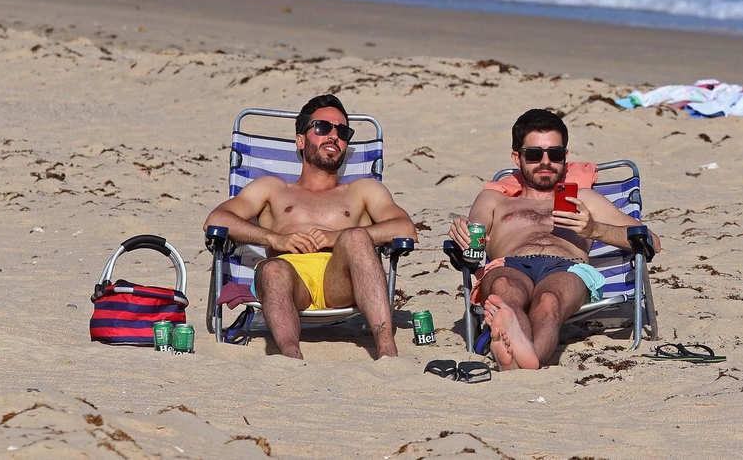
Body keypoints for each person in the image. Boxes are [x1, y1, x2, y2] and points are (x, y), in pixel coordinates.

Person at [203, 94, 416, 359]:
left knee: (356, 238)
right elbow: (216, 220)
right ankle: (290, 356)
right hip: (290, 282)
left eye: (342, 131)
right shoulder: (273, 188)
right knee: (273, 270)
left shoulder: (363, 190)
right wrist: (274, 239)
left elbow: (405, 228)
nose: (333, 136)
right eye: (323, 128)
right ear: (301, 140)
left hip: (340, 282)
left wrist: (337, 237)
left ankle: (387, 351)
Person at [447, 109, 659, 371]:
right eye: (535, 154)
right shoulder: (494, 200)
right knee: (504, 287)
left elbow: (650, 241)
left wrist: (595, 229)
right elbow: (472, 236)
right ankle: (527, 357)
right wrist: (461, 231)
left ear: (565, 158)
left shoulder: (585, 199)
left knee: (549, 300)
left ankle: (517, 357)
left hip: (567, 266)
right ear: (517, 157)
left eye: (555, 154)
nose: (545, 162)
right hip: (509, 264)